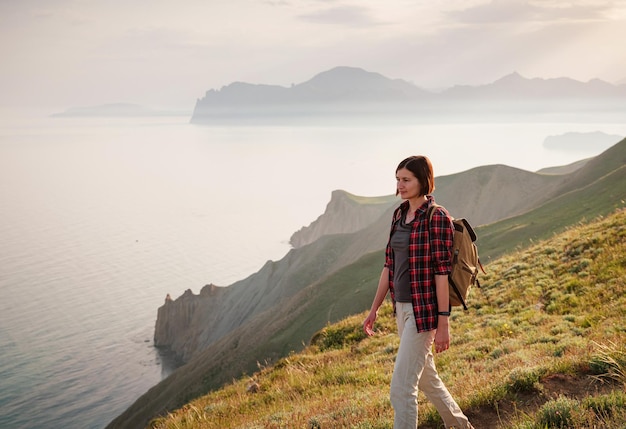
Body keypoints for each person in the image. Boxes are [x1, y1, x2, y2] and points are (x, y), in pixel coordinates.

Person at [363, 155, 474, 429]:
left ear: (422, 181)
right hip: (401, 309)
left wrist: (443, 323)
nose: (400, 185)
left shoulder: (437, 218)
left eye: (406, 180)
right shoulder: (399, 214)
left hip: (424, 314)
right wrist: (374, 309)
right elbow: (389, 266)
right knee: (428, 380)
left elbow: (441, 272)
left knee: (401, 389)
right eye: (398, 179)